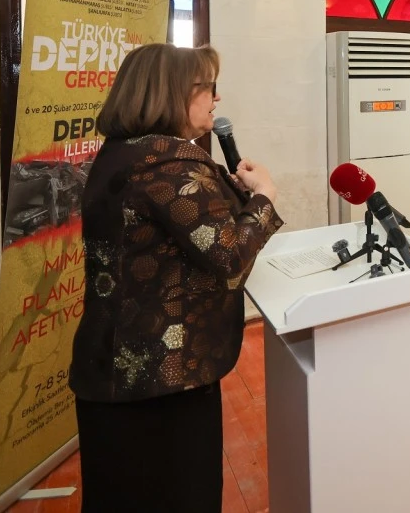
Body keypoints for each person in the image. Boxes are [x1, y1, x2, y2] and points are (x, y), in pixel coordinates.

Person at [70, 44, 284, 511]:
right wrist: (265, 196)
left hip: (118, 367)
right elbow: (229, 253)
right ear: (172, 93)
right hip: (161, 378)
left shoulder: (126, 153)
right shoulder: (168, 165)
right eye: (208, 87)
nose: (216, 98)